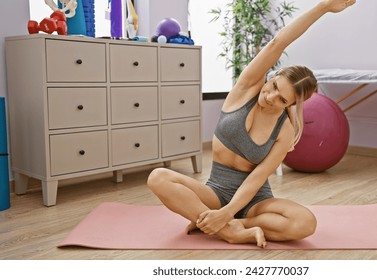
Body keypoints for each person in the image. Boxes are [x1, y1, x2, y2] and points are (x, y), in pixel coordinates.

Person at [147, 0, 356, 248]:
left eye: (282, 100)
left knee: (305, 223)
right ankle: (228, 232)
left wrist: (226, 214)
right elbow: (279, 43)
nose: (270, 98)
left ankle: (224, 224)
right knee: (158, 177)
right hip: (215, 193)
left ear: (289, 105)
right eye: (274, 86)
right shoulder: (245, 90)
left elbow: (257, 178)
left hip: (255, 201)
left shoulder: (284, 131)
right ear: (273, 76)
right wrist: (323, 7)